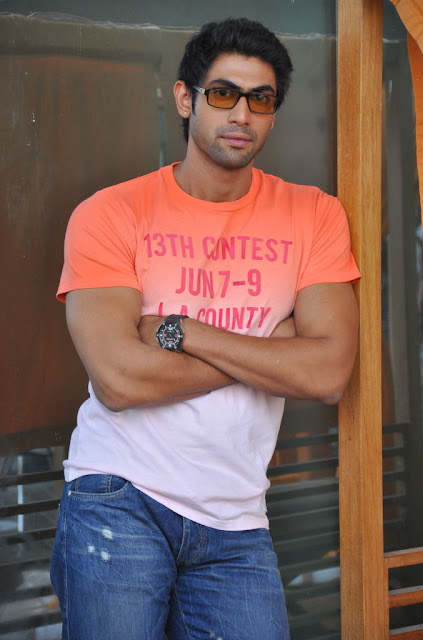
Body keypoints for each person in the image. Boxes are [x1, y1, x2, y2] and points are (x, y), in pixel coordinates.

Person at [50, 17, 360, 640]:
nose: (242, 114)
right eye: (223, 94)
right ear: (186, 99)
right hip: (120, 495)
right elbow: (119, 381)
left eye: (261, 99)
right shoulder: (111, 213)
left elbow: (328, 374)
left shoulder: (314, 215)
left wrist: (185, 331)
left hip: (238, 515)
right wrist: (273, 350)